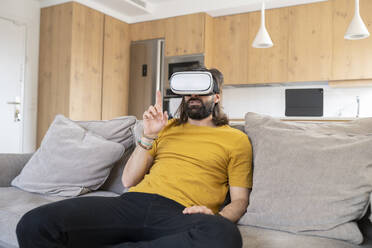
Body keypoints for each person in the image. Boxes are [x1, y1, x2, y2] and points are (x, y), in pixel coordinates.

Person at [16, 68, 253, 248]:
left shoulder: (235, 139)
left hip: (181, 214)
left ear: (217, 97)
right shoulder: (165, 128)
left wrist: (218, 217)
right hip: (132, 203)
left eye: (201, 90)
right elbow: (129, 180)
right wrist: (148, 135)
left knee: (224, 235)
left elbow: (240, 201)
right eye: (188, 90)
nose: (193, 95)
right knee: (34, 223)